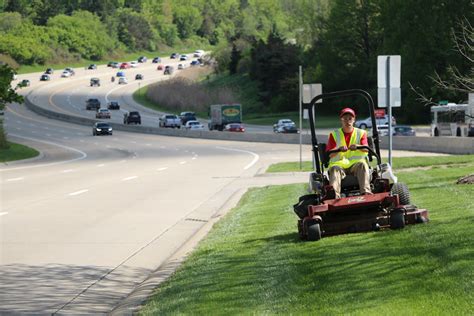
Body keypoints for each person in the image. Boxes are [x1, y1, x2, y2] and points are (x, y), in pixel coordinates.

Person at [326, 107, 372, 199]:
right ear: (341, 120)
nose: (348, 121)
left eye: (350, 118)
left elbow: (366, 149)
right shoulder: (334, 135)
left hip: (356, 165)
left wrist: (357, 146)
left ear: (354, 120)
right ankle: (334, 196)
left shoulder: (361, 133)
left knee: (362, 165)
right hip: (339, 166)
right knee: (334, 169)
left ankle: (366, 193)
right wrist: (338, 149)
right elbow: (330, 154)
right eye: (345, 118)